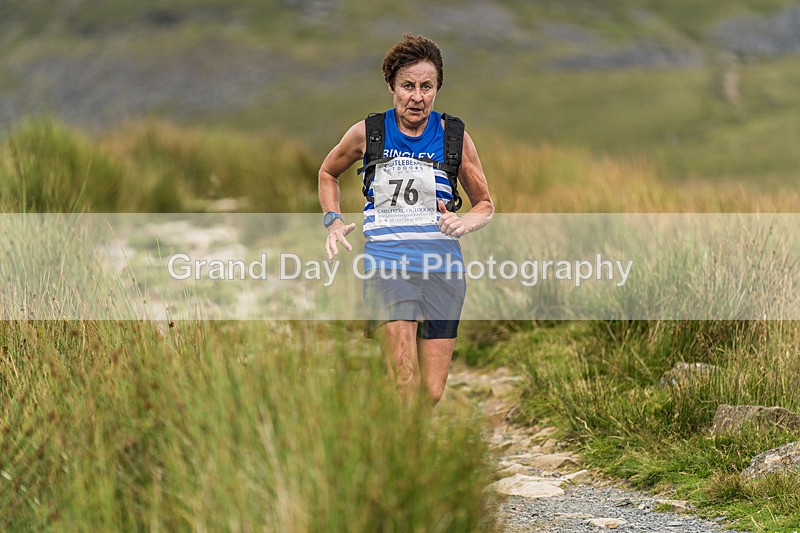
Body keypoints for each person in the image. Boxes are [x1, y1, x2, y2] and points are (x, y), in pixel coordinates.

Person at [318, 34, 493, 406]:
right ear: (392, 87)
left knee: (429, 392)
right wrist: (332, 220)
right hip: (388, 268)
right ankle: (395, 461)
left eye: (426, 87)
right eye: (408, 86)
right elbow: (327, 173)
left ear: (437, 89)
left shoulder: (455, 138)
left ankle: (407, 452)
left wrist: (465, 223)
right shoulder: (370, 132)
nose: (417, 97)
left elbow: (485, 205)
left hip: (443, 272)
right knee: (403, 381)